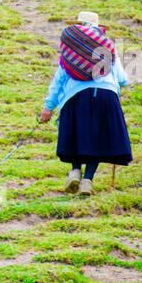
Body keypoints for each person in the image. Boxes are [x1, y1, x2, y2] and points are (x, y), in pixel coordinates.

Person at [39, 10, 132, 195]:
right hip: (106, 96)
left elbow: (59, 80)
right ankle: (87, 181)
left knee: (77, 134)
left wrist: (48, 107)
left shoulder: (69, 51)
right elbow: (122, 79)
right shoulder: (108, 49)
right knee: (96, 138)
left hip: (76, 96)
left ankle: (75, 172)